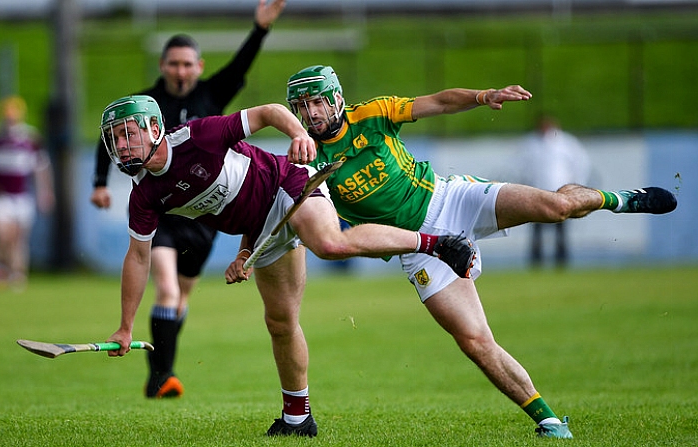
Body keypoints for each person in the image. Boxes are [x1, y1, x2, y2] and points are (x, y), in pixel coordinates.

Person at [281, 65, 678, 439]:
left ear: (335, 99)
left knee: (557, 208)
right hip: (418, 248)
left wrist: (483, 95)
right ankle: (550, 421)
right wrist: (248, 250)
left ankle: (621, 199)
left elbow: (437, 102)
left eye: (317, 102)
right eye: (302, 106)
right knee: (473, 340)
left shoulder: (372, 113)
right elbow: (295, 219)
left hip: (450, 198)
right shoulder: (304, 163)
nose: (311, 113)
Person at [99, 95, 476, 438]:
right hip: (259, 229)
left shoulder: (197, 137)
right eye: (115, 139)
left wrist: (299, 134)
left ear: (154, 128)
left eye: (127, 134)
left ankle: (438, 244)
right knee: (280, 322)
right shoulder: (144, 195)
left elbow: (267, 112)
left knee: (329, 243)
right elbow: (138, 258)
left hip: (288, 183)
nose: (121, 145)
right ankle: (297, 418)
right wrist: (125, 327)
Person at [89, 0, 286, 399]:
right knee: (167, 290)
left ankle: (161, 369)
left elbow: (240, 68)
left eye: (187, 64)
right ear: (162, 66)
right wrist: (100, 182)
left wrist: (260, 29)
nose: (181, 70)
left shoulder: (212, 95)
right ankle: (162, 376)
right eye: (173, 63)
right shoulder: (142, 106)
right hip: (163, 212)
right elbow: (109, 139)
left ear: (198, 67)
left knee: (181, 297)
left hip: (205, 213)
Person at [0, 95, 55, 291]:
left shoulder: (31, 138)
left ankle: (17, 273)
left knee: (19, 237)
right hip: (1, 195)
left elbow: (41, 168)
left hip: (22, 195)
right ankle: (2, 266)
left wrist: (45, 192)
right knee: (3, 232)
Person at [517, 114, 592, 268]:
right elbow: (523, 167)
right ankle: (536, 260)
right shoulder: (531, 144)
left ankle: (561, 259)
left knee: (561, 225)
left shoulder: (566, 143)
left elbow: (580, 164)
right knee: (536, 227)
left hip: (560, 189)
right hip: (537, 190)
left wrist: (577, 185)